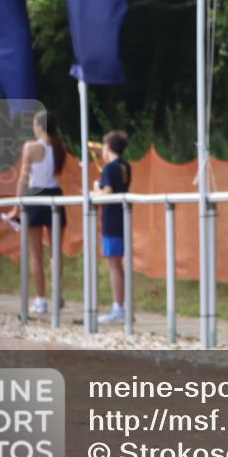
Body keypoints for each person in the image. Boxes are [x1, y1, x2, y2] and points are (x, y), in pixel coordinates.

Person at [4, 110, 67, 315]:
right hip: (55, 195)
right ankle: (56, 294)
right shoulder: (59, 147)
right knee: (55, 251)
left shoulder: (30, 147)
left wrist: (16, 205)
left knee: (36, 253)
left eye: (34, 124)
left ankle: (41, 299)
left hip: (35, 196)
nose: (33, 128)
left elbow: (24, 178)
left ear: (40, 126)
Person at [91, 130, 132, 324]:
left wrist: (95, 192)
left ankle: (119, 307)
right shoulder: (126, 166)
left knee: (113, 265)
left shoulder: (109, 168)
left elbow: (107, 192)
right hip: (122, 218)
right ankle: (120, 306)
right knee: (117, 265)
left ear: (108, 147)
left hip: (111, 220)